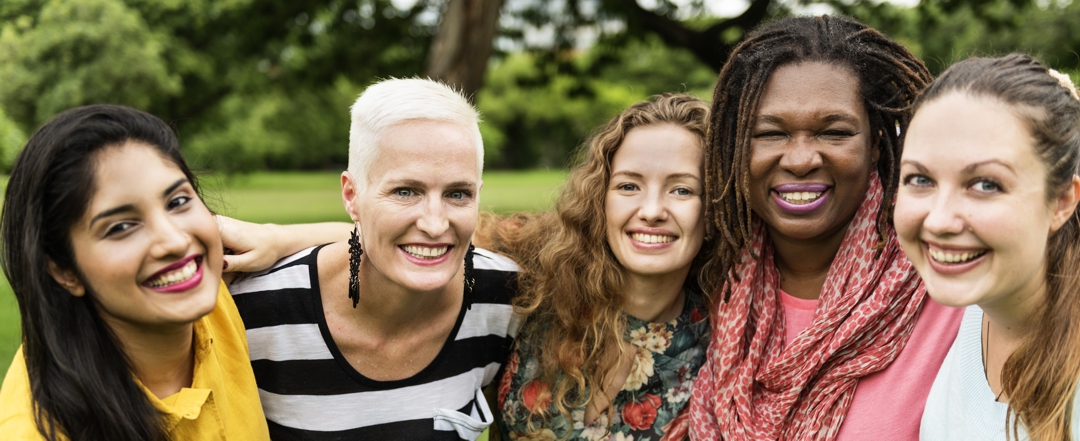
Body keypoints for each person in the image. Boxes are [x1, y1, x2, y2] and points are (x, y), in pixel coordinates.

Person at [687, 15, 964, 440]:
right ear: (737, 146)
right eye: (770, 133)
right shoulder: (706, 283)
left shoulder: (950, 292)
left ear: (875, 144)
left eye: (833, 132)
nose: (800, 160)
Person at [225, 78, 519, 440]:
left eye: (458, 194)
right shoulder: (255, 312)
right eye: (405, 191)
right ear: (352, 195)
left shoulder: (504, 298)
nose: (434, 223)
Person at [0, 104, 269, 440]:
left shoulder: (206, 287)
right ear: (64, 271)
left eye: (177, 201)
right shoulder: (35, 430)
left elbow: (354, 242)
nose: (174, 240)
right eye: (122, 226)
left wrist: (280, 237)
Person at [486, 94, 718, 440]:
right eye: (628, 186)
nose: (652, 210)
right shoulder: (530, 286)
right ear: (600, 198)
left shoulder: (723, 348)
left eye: (682, 190)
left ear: (714, 208)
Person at [894, 54, 1080, 440]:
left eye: (986, 184)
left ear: (1062, 201)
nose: (940, 220)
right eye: (920, 178)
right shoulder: (966, 311)